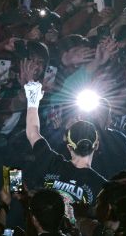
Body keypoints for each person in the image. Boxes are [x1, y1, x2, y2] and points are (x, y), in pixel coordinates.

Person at [24, 81, 106, 224]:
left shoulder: (52, 162)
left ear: (68, 146)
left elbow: (32, 132)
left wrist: (33, 100)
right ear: (96, 145)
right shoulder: (101, 186)